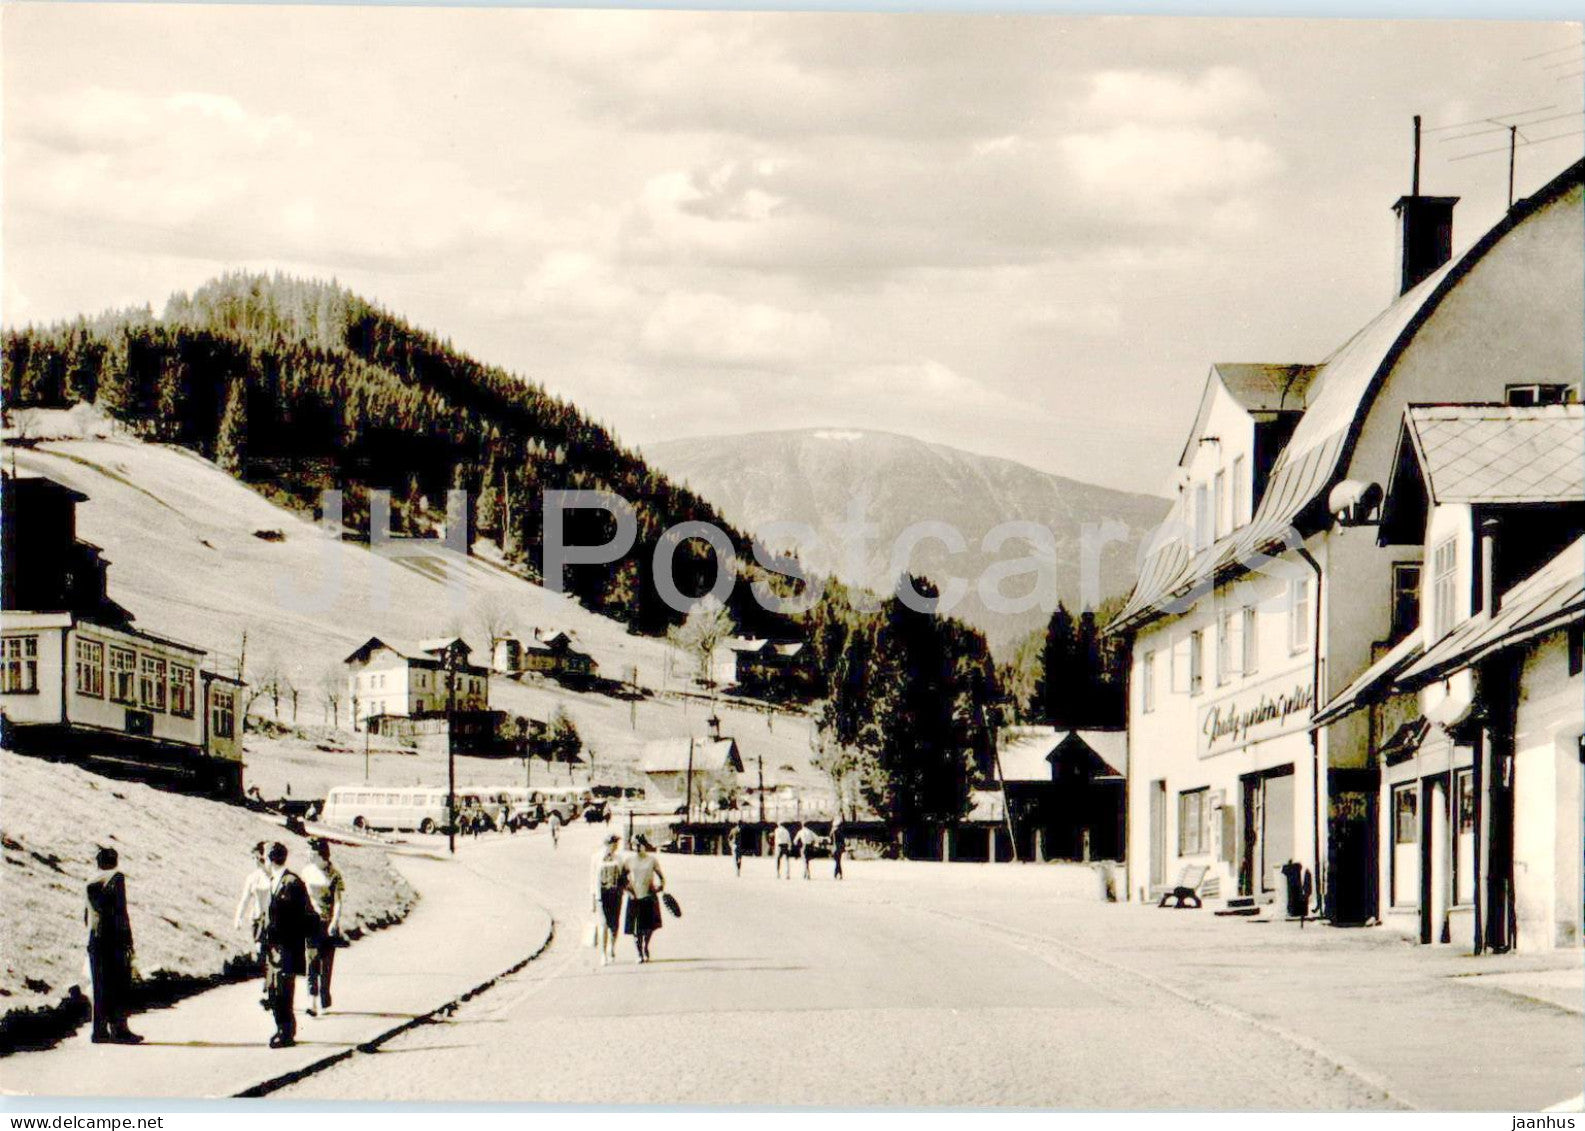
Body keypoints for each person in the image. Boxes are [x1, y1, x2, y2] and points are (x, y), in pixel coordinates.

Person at [260, 841, 319, 1048]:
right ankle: (282, 1029)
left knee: (284, 991)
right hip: (275, 948)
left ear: (269, 858)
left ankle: (286, 1032)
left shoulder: (291, 883)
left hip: (287, 947)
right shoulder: (275, 880)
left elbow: (306, 915)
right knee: (275, 991)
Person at [85, 846, 141, 1044]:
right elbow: (120, 911)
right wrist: (128, 940)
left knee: (99, 985)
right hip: (114, 939)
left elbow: (87, 916)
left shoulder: (90, 881)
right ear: (114, 861)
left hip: (94, 938)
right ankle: (120, 1029)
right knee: (119, 983)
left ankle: (99, 1031)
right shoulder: (117, 878)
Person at [301, 838, 345, 1017]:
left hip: (328, 924)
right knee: (311, 961)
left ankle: (324, 1000)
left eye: (312, 853)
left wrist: (335, 921)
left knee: (326, 963)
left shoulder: (334, 874)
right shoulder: (306, 872)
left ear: (321, 855)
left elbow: (339, 901)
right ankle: (311, 1001)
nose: (309, 856)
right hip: (311, 923)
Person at [622, 835, 666, 963]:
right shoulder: (629, 861)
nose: (636, 847)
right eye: (633, 845)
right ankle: (639, 953)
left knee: (649, 927)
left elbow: (661, 877)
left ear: (644, 845)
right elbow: (622, 879)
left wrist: (660, 887)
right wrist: (628, 891)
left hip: (648, 896)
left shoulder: (652, 860)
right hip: (635, 897)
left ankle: (646, 946)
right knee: (636, 928)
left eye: (638, 845)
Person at [589, 834, 625, 966]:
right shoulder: (596, 858)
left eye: (617, 844)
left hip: (615, 895)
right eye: (614, 844)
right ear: (607, 844)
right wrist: (592, 900)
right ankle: (603, 953)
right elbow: (592, 879)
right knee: (604, 923)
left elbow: (623, 877)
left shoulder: (619, 859)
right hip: (601, 896)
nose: (616, 846)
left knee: (614, 924)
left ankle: (612, 947)